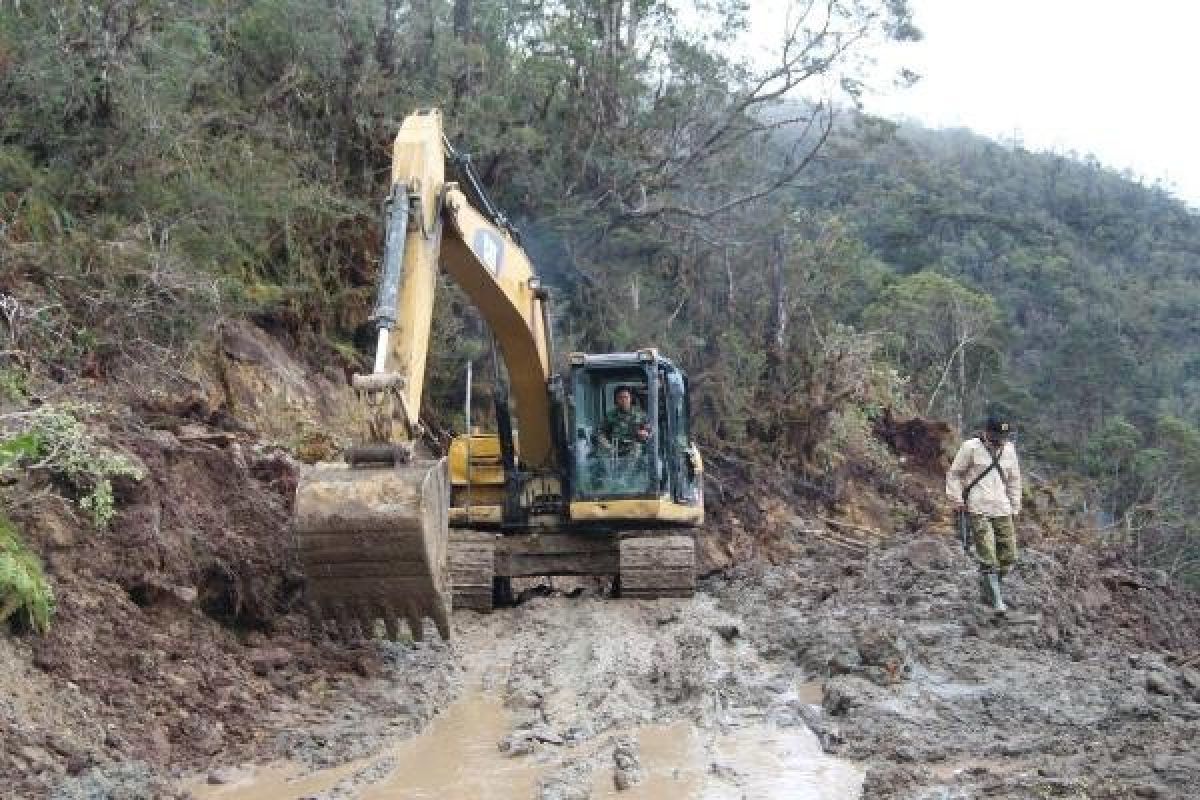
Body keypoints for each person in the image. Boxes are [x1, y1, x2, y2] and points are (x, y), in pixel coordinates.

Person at [946, 415, 1022, 613]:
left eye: (1004, 436)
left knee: (1009, 556)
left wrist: (1015, 506)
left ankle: (988, 588)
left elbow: (1014, 480)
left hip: (1003, 508)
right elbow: (955, 474)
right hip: (978, 507)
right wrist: (956, 499)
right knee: (988, 556)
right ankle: (997, 601)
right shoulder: (970, 447)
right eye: (998, 436)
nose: (1001, 440)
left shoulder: (1009, 450)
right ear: (988, 432)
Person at [597, 386, 650, 457]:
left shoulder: (640, 414)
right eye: (620, 397)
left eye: (626, 397)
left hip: (634, 448)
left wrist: (645, 433)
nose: (623, 400)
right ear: (616, 400)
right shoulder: (610, 415)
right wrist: (606, 444)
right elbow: (601, 432)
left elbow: (648, 431)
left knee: (636, 449)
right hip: (614, 448)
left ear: (630, 398)